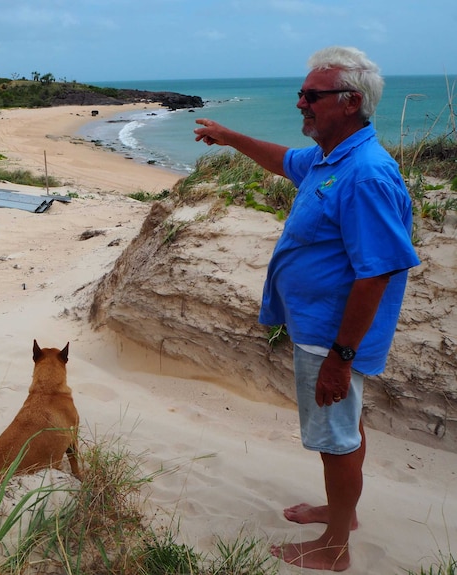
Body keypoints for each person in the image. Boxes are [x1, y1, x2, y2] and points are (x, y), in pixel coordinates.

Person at [194, 46, 420, 571]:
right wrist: (229, 138)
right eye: (301, 94)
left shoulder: (364, 174)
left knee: (335, 440)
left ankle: (335, 547)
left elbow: (378, 271)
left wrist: (341, 357)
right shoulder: (329, 157)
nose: (300, 103)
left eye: (311, 95)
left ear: (350, 102)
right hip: (322, 329)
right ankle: (343, 512)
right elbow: (282, 160)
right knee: (347, 429)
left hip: (332, 336)